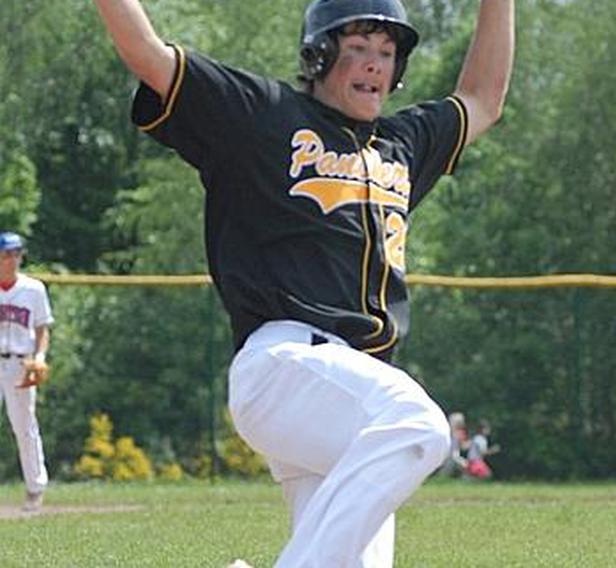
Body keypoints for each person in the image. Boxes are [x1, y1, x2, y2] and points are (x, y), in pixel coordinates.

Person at [92, 0, 514, 565]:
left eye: (387, 53)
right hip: (285, 364)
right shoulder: (265, 116)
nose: (375, 64)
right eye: (359, 47)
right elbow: (146, 54)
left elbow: (484, 98)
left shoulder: (402, 145)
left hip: (350, 391)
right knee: (418, 426)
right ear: (318, 54)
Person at [0, 232, 53, 512]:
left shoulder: (34, 289)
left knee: (25, 428)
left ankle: (35, 489)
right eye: (7, 254)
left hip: (21, 364)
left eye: (16, 254)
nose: (13, 260)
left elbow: (42, 327)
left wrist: (40, 356)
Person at [437, 411, 469, 478]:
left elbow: (462, 446)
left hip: (452, 455)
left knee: (463, 466)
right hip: (449, 455)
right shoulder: (450, 432)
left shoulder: (456, 432)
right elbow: (463, 446)